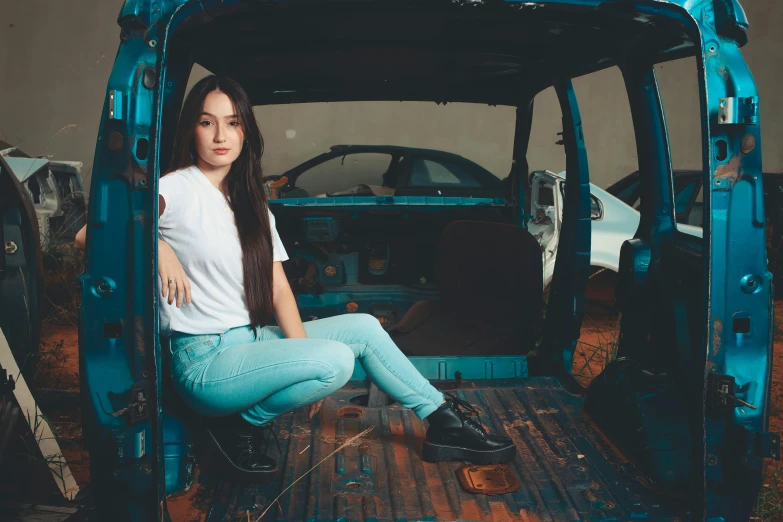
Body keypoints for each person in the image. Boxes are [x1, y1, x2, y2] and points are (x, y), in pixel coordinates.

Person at [75, 75, 516, 481]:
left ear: (246, 131)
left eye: (232, 123)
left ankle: (442, 419)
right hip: (204, 362)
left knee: (361, 328)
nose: (220, 136)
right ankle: (236, 426)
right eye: (207, 123)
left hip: (250, 342)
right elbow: (89, 236)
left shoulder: (250, 203)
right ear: (191, 129)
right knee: (336, 362)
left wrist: (298, 355)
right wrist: (159, 246)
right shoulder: (177, 186)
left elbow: (279, 288)